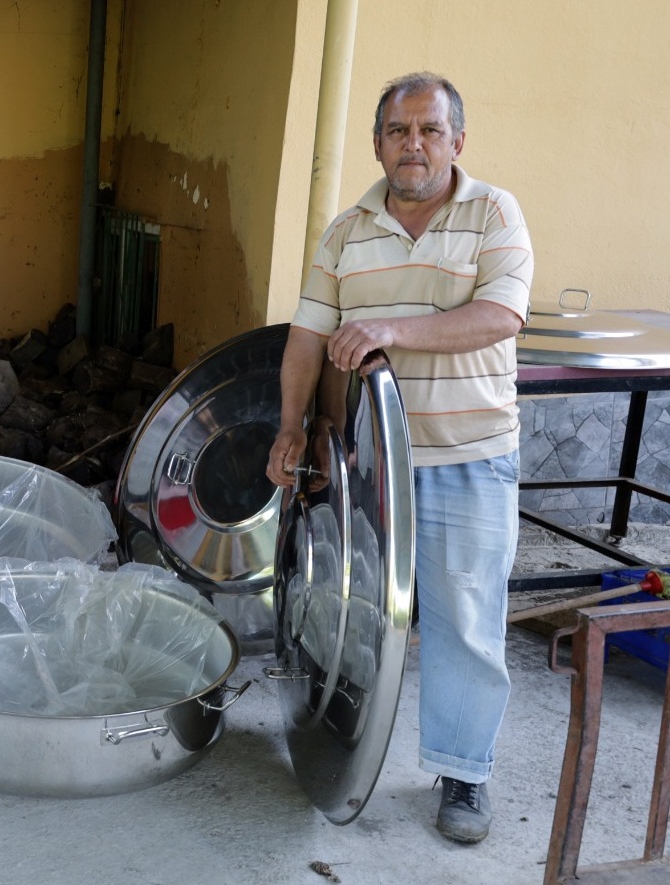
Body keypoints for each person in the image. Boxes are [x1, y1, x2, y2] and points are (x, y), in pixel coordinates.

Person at [265, 72, 533, 844]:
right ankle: (340, 740)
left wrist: (390, 329)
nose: (411, 144)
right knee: (348, 609)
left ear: (456, 141)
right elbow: (307, 340)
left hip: (466, 456)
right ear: (377, 142)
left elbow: (499, 313)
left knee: (464, 621)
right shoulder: (345, 231)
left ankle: (462, 775)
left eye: (427, 130)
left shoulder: (492, 213)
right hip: (364, 466)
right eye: (396, 131)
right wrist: (292, 428)